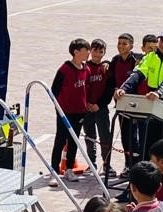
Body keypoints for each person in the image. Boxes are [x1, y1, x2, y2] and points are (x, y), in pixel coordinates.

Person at [116, 28, 163, 147]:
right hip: (154, 108)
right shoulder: (150, 57)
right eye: (162, 40)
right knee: (150, 148)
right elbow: (137, 73)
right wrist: (124, 88)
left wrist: (159, 93)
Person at [49, 38, 90, 184]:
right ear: (76, 52)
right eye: (86, 51)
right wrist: (59, 109)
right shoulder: (64, 69)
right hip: (64, 112)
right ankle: (54, 171)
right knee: (60, 140)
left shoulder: (86, 69)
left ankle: (69, 170)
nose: (88, 53)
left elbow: (87, 89)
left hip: (80, 112)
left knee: (74, 141)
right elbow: (53, 91)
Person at [108, 34, 142, 171]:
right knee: (125, 137)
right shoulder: (115, 60)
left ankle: (137, 165)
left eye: (124, 43)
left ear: (131, 46)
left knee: (136, 137)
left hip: (136, 104)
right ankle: (128, 165)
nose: (121, 46)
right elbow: (110, 80)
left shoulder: (138, 59)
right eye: (119, 43)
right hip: (121, 105)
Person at [84, 39, 115, 176]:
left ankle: (107, 165)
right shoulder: (84, 67)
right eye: (95, 50)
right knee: (90, 137)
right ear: (90, 51)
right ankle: (91, 164)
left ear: (104, 53)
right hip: (87, 109)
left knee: (105, 138)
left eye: (100, 51)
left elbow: (109, 90)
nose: (97, 53)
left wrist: (99, 105)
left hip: (101, 109)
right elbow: (82, 88)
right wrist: (87, 104)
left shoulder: (107, 69)